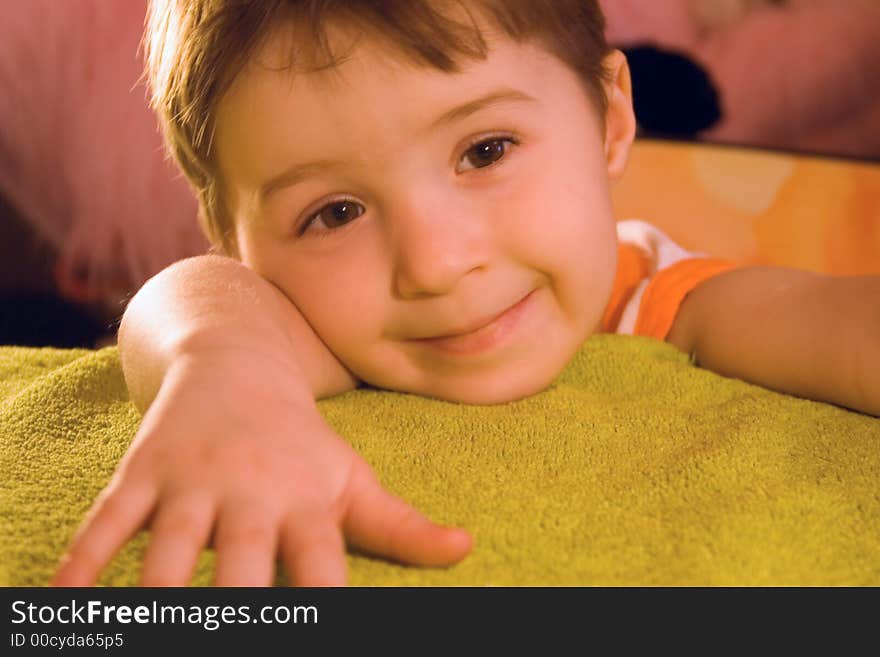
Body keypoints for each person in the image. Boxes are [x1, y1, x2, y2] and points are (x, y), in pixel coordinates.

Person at [51, 0, 879, 588]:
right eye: (333, 212)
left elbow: (825, 321)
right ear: (240, 245)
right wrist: (221, 379)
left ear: (608, 118)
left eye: (485, 150)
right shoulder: (305, 324)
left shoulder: (657, 299)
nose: (437, 265)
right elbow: (190, 296)